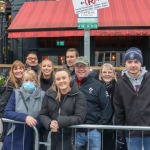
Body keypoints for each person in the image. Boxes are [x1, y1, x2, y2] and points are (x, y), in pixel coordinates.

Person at [39, 68, 87, 150]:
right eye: (58, 79)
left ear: (69, 78)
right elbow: (42, 114)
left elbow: (80, 117)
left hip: (68, 138)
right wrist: (49, 123)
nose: (61, 81)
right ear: (55, 81)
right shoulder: (49, 94)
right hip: (51, 137)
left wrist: (59, 121)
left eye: (64, 78)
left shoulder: (78, 95)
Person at [113, 47, 150, 150]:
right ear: (125, 64)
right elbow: (119, 111)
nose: (133, 65)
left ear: (141, 63)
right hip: (131, 133)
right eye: (129, 62)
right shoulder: (120, 83)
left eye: (136, 61)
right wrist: (120, 134)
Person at [74, 56, 112, 150]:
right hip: (74, 130)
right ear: (74, 68)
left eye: (83, 66)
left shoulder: (98, 85)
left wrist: (99, 127)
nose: (81, 69)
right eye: (78, 66)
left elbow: (107, 107)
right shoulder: (69, 83)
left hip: (93, 131)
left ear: (88, 67)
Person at [2, 69, 45, 150]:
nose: (29, 82)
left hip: (33, 135)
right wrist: (25, 117)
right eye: (26, 80)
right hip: (16, 135)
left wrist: (36, 122)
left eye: (32, 80)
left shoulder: (43, 95)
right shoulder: (16, 93)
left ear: (36, 82)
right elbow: (7, 112)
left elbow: (44, 114)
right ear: (22, 81)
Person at [99, 63, 117, 150]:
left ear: (113, 74)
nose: (107, 74)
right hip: (99, 123)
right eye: (104, 72)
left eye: (109, 72)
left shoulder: (118, 86)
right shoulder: (97, 86)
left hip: (113, 125)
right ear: (101, 74)